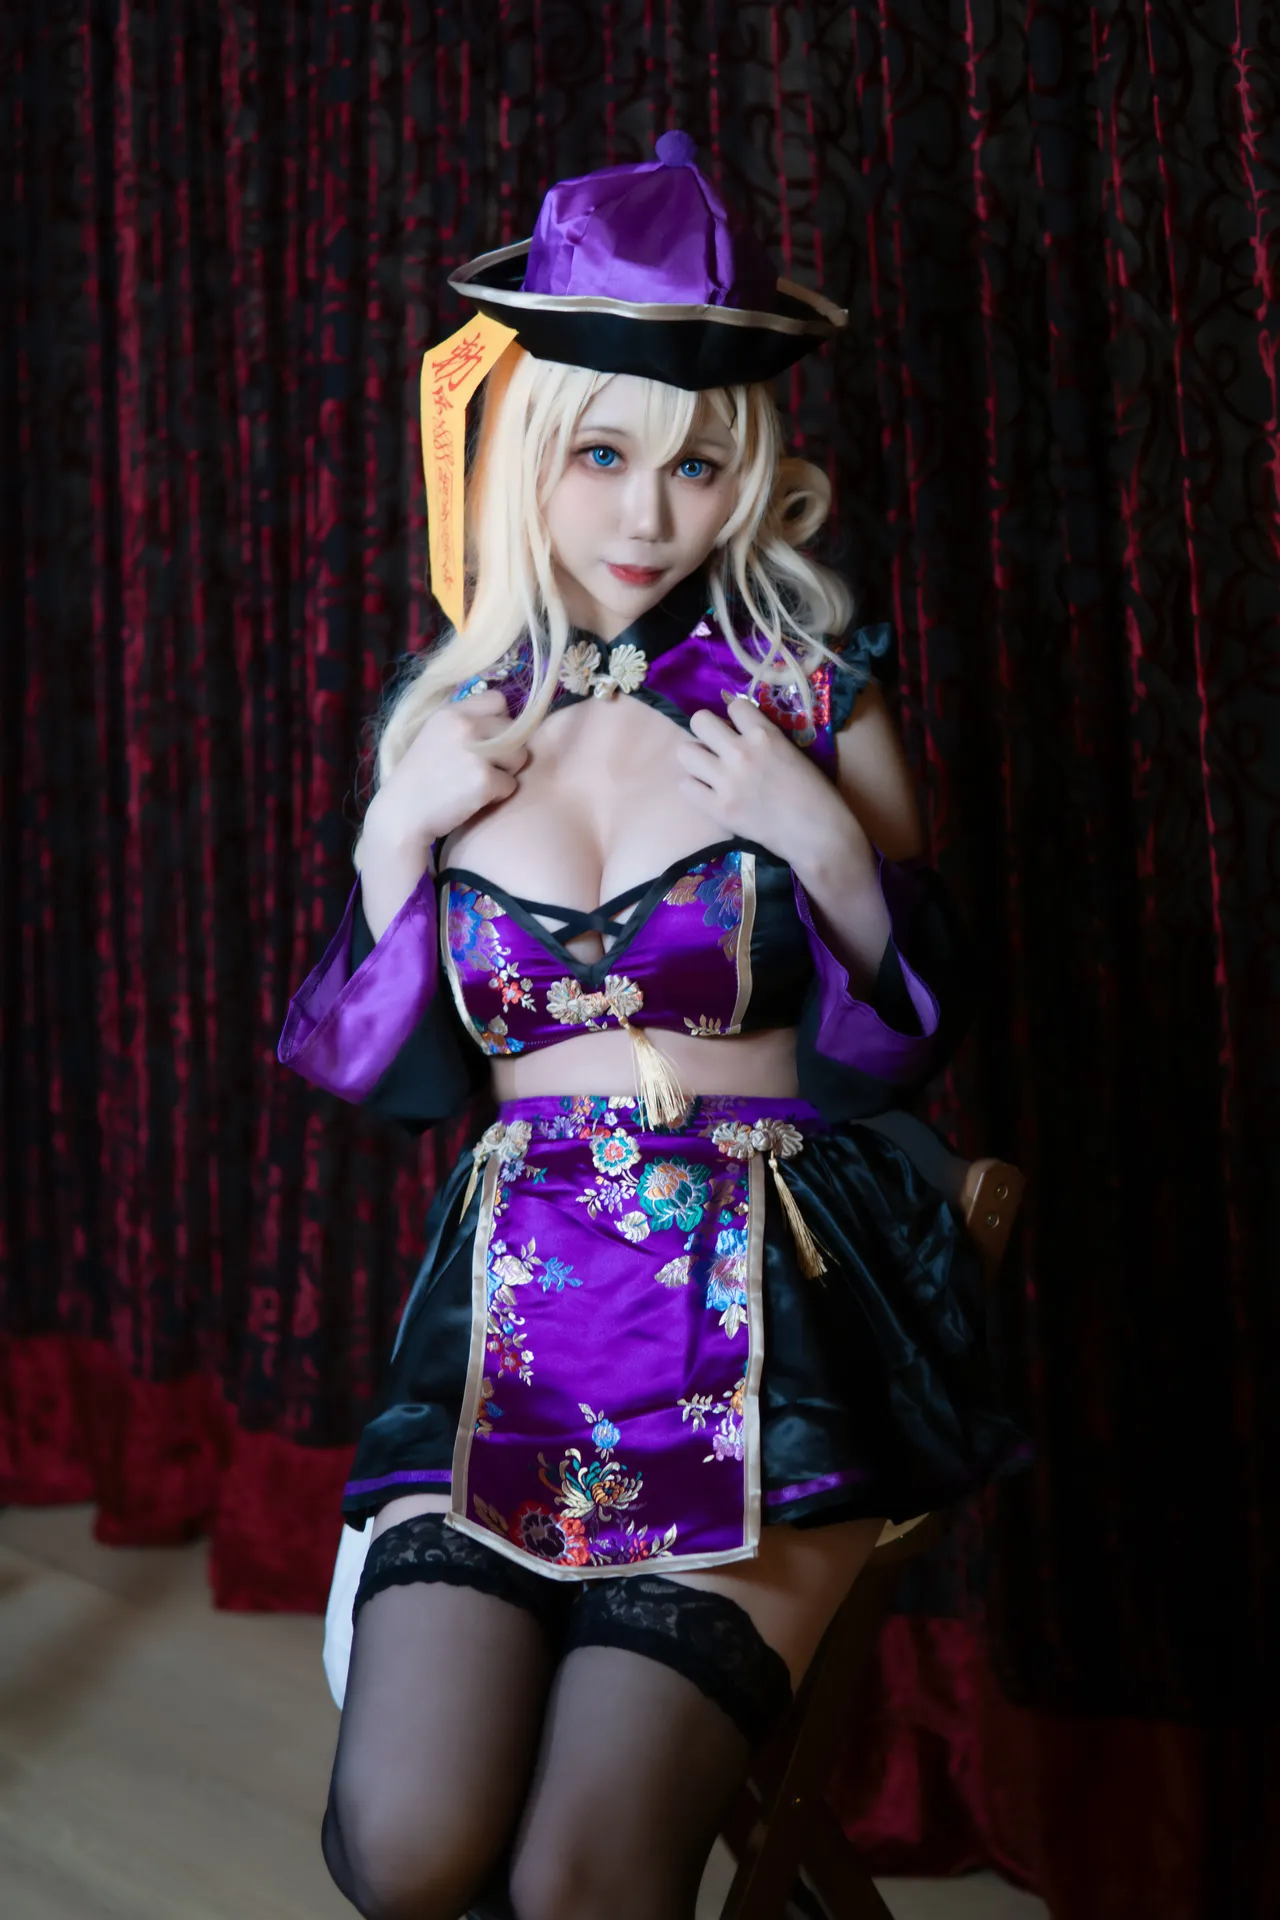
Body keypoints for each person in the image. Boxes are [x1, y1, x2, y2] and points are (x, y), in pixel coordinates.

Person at [279, 132, 1027, 1920]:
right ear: (527, 452)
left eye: (695, 466)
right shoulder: (455, 713)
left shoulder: (810, 695)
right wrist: (392, 837)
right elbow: (382, 1070)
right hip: (515, 1315)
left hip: (773, 1308)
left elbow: (900, 1045)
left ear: (750, 471)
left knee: (582, 1881)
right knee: (410, 1844)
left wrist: (823, 841)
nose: (645, 518)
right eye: (602, 455)